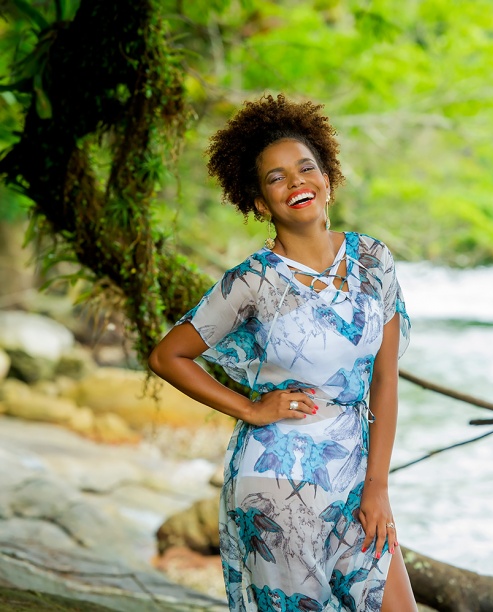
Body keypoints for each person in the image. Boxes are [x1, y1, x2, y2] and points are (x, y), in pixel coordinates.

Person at [149, 94, 416, 611]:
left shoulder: (373, 259)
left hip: (355, 474)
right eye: (276, 178)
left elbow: (385, 379)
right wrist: (250, 408)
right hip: (273, 480)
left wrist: (377, 486)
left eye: (305, 168)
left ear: (329, 180)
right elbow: (168, 356)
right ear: (258, 202)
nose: (295, 183)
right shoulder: (252, 280)